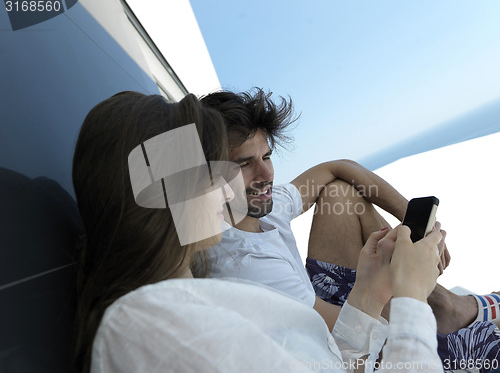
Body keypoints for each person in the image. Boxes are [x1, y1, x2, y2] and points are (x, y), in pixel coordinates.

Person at [73, 91, 444, 373]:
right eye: (208, 174)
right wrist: (411, 296)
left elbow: (324, 361)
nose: (224, 191)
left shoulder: (182, 303)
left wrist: (370, 291)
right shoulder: (152, 325)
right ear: (163, 198)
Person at [201, 89, 500, 371]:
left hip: (316, 307)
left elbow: (337, 167)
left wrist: (410, 216)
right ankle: (446, 330)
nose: (266, 174)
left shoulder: (256, 207)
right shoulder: (248, 267)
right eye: (244, 164)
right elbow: (344, 344)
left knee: (338, 193)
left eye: (266, 156)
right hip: (337, 348)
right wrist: (408, 281)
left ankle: (445, 306)